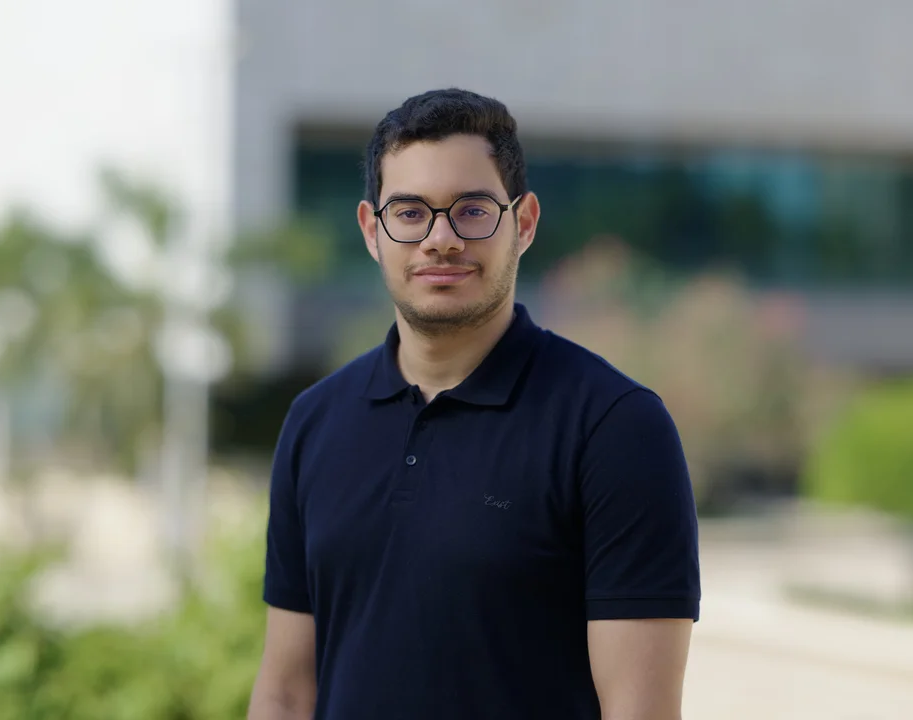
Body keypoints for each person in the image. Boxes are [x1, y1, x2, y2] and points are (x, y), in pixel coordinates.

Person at [247, 88, 700, 720]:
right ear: (372, 231)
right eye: (410, 212)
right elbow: (285, 692)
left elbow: (639, 709)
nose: (441, 239)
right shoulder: (315, 422)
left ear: (524, 223)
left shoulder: (615, 427)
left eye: (473, 210)